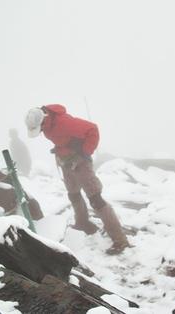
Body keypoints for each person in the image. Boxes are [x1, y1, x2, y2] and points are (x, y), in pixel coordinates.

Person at [25, 104, 130, 255]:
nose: (40, 132)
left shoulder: (64, 123)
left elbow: (93, 129)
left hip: (81, 162)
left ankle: (120, 240)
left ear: (43, 121)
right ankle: (83, 223)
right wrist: (60, 149)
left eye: (39, 128)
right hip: (66, 161)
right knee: (73, 194)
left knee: (96, 199)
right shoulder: (47, 124)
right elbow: (61, 139)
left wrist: (84, 152)